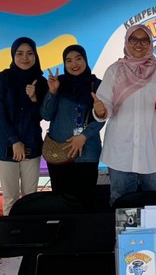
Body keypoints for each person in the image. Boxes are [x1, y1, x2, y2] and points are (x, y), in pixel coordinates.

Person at [93, 24, 156, 204]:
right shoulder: (114, 70)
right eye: (133, 39)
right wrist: (101, 111)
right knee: (121, 204)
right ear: (126, 42)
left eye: (144, 40)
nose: (138, 44)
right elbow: (104, 104)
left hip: (154, 151)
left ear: (150, 43)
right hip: (121, 151)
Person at [41, 44, 104, 209]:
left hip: (87, 152)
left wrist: (83, 137)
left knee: (86, 201)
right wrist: (52, 92)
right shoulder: (58, 83)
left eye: (78, 58)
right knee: (60, 201)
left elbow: (102, 117)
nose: (74, 64)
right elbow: (46, 114)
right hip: (59, 150)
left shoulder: (97, 85)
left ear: (85, 60)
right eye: (68, 60)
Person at [0, 36, 48, 215]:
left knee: (31, 196)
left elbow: (41, 116)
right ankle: (10, 230)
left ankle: (29, 230)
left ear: (35, 56)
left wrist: (34, 98)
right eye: (20, 53)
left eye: (30, 53)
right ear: (13, 55)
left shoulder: (41, 82)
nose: (25, 58)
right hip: (5, 145)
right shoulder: (2, 79)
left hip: (32, 144)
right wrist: (14, 140)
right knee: (11, 197)